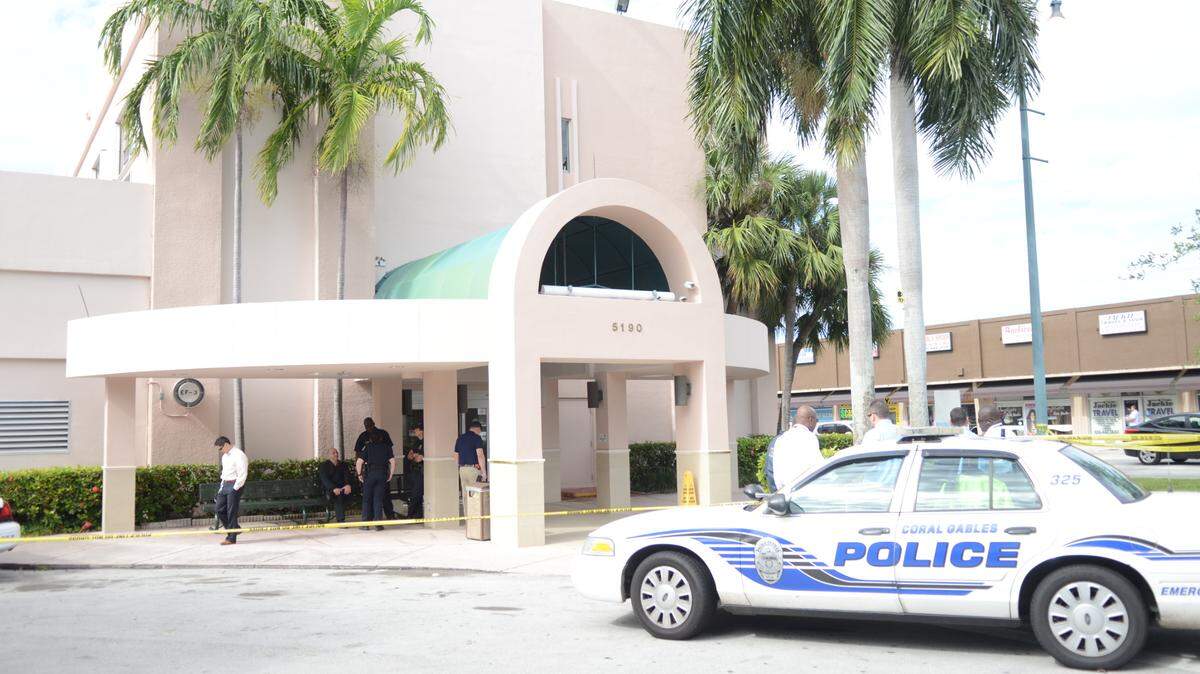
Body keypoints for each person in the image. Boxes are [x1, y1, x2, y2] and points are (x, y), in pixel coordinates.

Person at [766, 406, 824, 492]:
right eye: (817, 420)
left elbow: (770, 470)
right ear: (811, 420)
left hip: (782, 494)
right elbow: (819, 468)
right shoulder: (809, 437)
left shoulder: (780, 439)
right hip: (801, 494)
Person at [354, 417, 396, 519]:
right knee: (378, 498)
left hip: (371, 473)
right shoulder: (364, 436)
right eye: (366, 425)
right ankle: (377, 523)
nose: (368, 427)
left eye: (369, 425)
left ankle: (367, 521)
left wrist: (359, 473)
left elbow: (358, 459)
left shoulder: (378, 438)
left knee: (369, 498)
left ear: (373, 423)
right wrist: (390, 474)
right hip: (380, 472)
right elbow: (392, 459)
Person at [213, 436, 248, 546]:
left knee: (231, 512)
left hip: (235, 485)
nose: (220, 451)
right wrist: (221, 489)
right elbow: (224, 475)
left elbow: (242, 474)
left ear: (226, 444)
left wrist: (235, 488)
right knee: (219, 509)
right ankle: (235, 529)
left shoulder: (239, 455)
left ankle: (231, 538)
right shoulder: (225, 457)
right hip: (225, 485)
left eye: (220, 448)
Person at [318, 447, 353, 523]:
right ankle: (341, 521)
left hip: (342, 488)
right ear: (329, 455)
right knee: (338, 495)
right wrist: (333, 488)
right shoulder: (324, 466)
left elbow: (347, 476)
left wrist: (348, 485)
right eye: (333, 453)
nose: (336, 454)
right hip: (329, 490)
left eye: (337, 452)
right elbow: (325, 480)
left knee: (344, 493)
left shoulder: (343, 465)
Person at [454, 420, 487, 495]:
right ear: (478, 429)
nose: (479, 433)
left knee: (465, 494)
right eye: (480, 432)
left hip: (462, 469)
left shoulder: (460, 438)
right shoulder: (477, 438)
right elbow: (480, 455)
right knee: (474, 494)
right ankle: (474, 507)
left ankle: (466, 507)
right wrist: (484, 472)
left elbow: (456, 456)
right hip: (473, 469)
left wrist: (460, 467)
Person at [405, 425, 425, 519]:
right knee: (416, 493)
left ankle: (410, 514)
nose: (414, 432)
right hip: (414, 471)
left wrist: (417, 456)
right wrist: (414, 455)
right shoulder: (416, 442)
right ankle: (418, 514)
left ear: (421, 430)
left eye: (416, 430)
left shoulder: (426, 441)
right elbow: (409, 456)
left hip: (422, 471)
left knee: (416, 494)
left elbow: (420, 459)